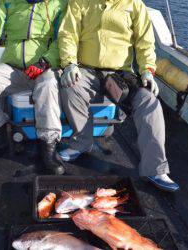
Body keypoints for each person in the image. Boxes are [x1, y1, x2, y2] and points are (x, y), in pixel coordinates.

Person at [57, 0, 179, 192]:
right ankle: (82, 143)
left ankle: (155, 169)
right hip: (86, 69)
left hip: (119, 74)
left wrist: (147, 70)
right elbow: (68, 35)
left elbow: (145, 43)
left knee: (149, 102)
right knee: (70, 87)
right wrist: (69, 63)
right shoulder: (79, 2)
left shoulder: (135, 5)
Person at [0, 0, 67, 175]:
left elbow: (64, 38)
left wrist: (47, 61)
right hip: (14, 68)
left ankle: (48, 146)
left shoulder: (59, 5)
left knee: (48, 85)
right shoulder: (6, 2)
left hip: (44, 68)